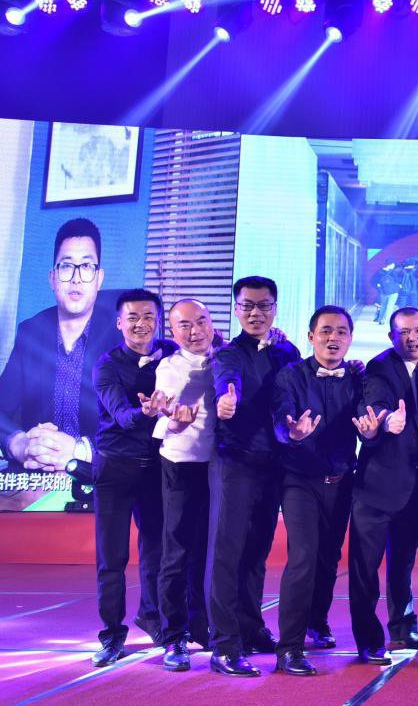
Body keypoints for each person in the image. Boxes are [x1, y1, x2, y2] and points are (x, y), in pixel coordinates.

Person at [270, 306, 382, 676]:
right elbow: (281, 417)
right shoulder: (290, 376)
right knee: (303, 556)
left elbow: (367, 415)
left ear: (350, 338)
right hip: (299, 480)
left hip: (342, 479)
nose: (333, 338)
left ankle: (317, 622)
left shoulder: (357, 378)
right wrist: (291, 433)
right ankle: (289, 648)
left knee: (328, 558)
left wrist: (371, 432)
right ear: (311, 336)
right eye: (326, 331)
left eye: (341, 332)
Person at [206, 276, 301, 677]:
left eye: (264, 305)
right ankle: (224, 644)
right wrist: (226, 399)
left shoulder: (287, 351)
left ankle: (251, 626)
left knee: (258, 551)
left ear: (275, 309)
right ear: (236, 309)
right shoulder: (229, 355)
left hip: (275, 464)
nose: (255, 313)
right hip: (237, 463)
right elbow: (227, 380)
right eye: (247, 305)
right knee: (227, 552)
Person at [0, 218, 118, 511]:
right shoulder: (31, 332)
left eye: (86, 266)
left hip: (99, 479)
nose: (76, 278)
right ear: (53, 278)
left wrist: (79, 450)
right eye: (66, 266)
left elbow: (140, 425)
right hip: (35, 478)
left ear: (99, 278)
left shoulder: (122, 337)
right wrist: (19, 443)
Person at [87, 289, 176, 666]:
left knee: (157, 548)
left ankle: (151, 616)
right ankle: (111, 635)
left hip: (156, 466)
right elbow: (121, 416)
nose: (142, 324)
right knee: (113, 556)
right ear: (120, 322)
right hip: (115, 467)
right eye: (133, 317)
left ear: (159, 321)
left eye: (149, 316)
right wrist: (146, 413)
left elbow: (208, 351)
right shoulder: (107, 366)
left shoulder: (170, 352)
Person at [349, 307, 418, 661]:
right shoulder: (379, 368)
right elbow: (377, 404)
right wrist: (387, 422)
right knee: (365, 568)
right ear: (391, 337)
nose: (412, 338)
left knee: (403, 562)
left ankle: (402, 627)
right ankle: (368, 639)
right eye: (403, 332)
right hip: (377, 487)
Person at [151, 298, 217, 671]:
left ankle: (205, 627)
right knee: (176, 553)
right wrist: (175, 420)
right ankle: (174, 635)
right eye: (185, 325)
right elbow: (166, 419)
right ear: (173, 331)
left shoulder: (226, 358)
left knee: (209, 553)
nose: (195, 331)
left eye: (201, 321)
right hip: (180, 465)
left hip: (219, 467)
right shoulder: (169, 368)